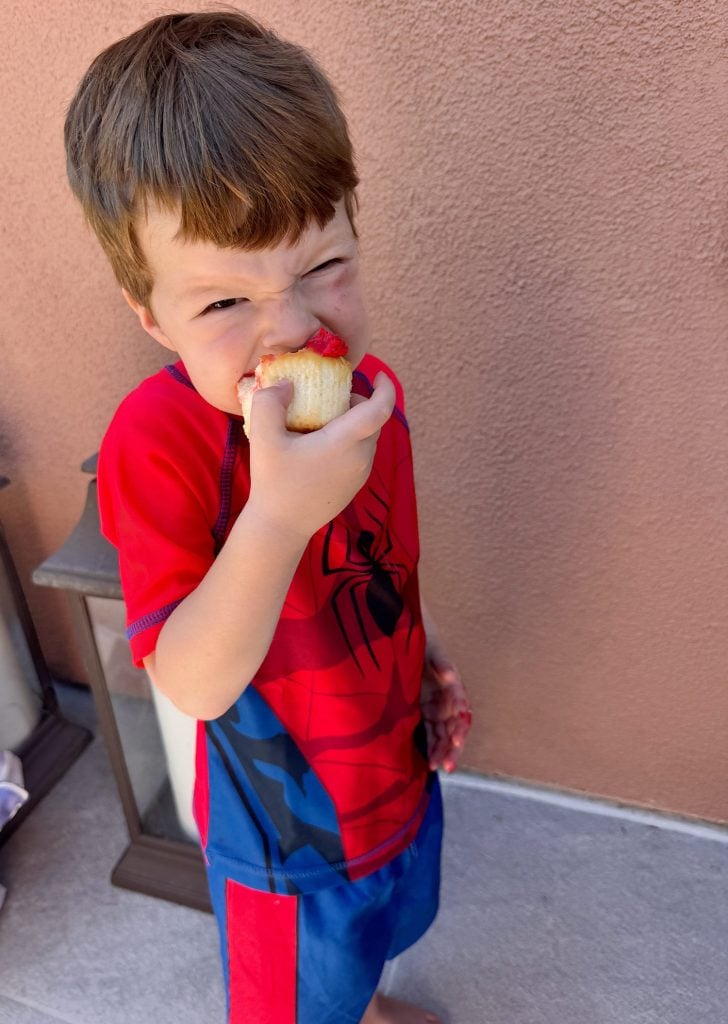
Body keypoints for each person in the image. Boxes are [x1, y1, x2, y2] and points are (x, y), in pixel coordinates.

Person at [64, 10, 471, 1024]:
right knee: (292, 995)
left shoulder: (372, 393)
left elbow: (375, 566)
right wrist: (277, 515)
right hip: (288, 830)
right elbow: (194, 681)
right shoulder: (158, 443)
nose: (292, 328)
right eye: (221, 304)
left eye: (322, 266)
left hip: (390, 767)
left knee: (379, 935)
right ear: (149, 314)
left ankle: (361, 1005)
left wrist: (419, 655)